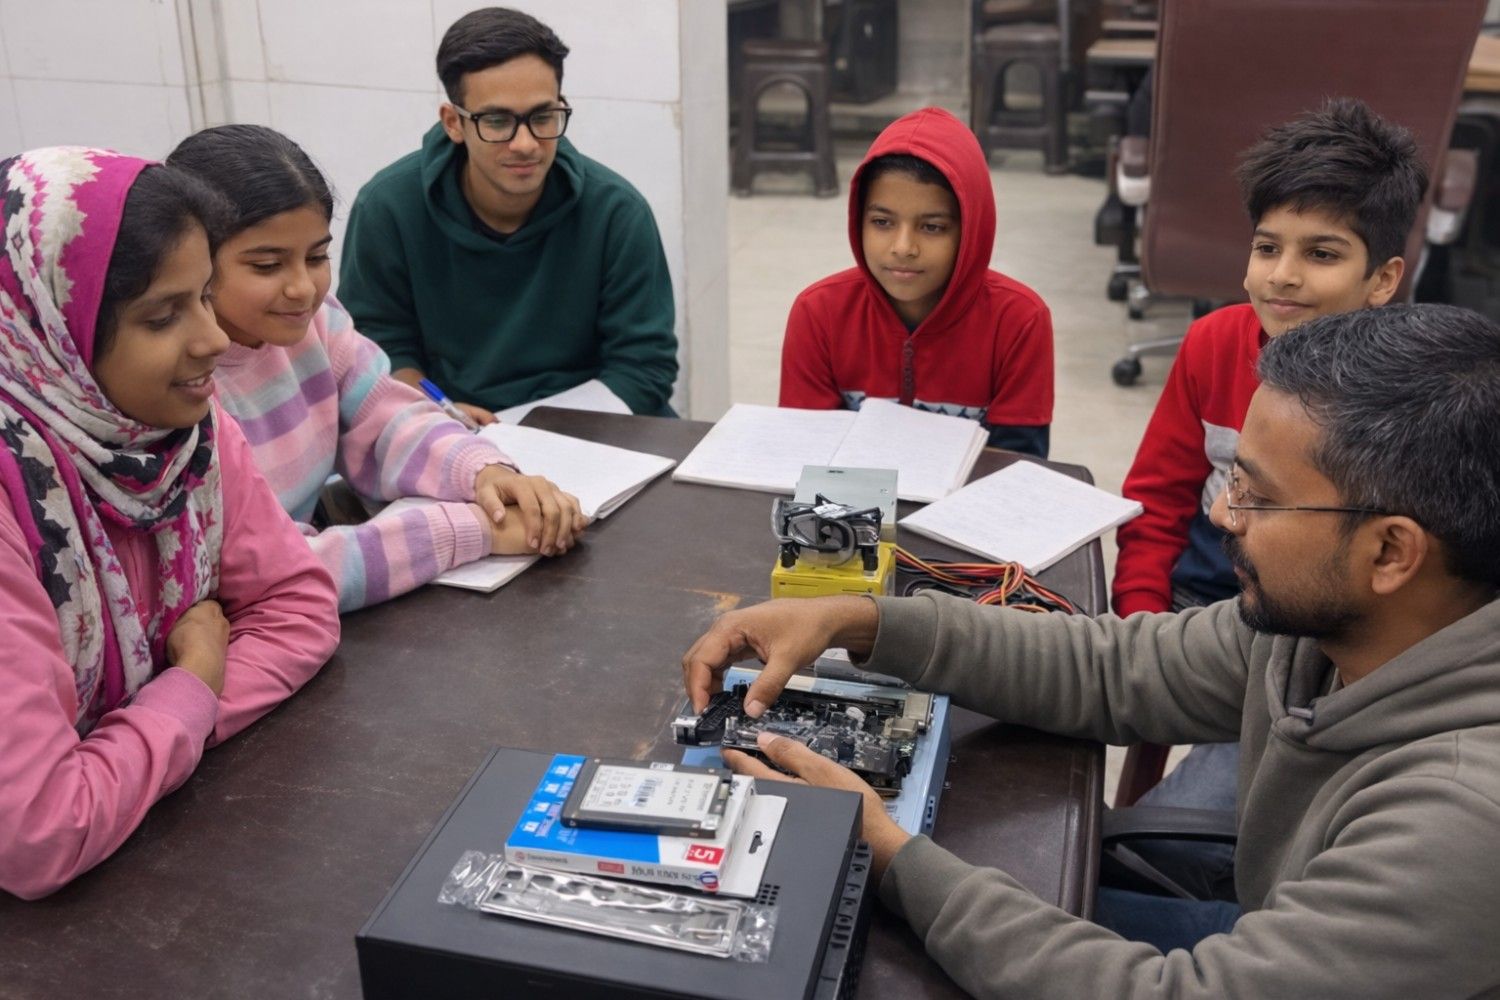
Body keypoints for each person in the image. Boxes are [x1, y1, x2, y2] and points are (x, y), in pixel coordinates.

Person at [683, 303, 1500, 996]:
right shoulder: (1329, 629)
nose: (1224, 517)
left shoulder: (1459, 823)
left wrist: (890, 853)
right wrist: (862, 621)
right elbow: (1109, 667)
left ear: (1392, 553)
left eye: (1260, 496)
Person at [0, 148, 342, 899]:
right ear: (49, 331)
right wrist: (189, 684)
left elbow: (300, 609)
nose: (214, 340)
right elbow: (41, 832)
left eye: (205, 298)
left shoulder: (180, 434)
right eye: (163, 315)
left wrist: (138, 746)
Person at [1109, 98, 1428, 811]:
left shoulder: (1403, 402)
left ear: (1382, 280)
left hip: (1307, 634)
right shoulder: (1211, 345)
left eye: (1321, 254)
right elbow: (1157, 500)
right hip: (1200, 600)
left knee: (1186, 830)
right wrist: (1141, 619)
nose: (1282, 275)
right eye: (1266, 246)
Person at [166, 124, 585, 613]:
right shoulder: (181, 387)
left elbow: (385, 417)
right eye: (266, 265)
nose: (303, 287)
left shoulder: (316, 324)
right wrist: (471, 530)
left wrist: (483, 473)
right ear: (194, 262)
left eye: (318, 256)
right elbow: (272, 572)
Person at [338, 6, 678, 425]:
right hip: (452, 429)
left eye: (542, 116)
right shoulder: (387, 208)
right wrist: (435, 416)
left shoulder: (616, 211)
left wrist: (534, 434)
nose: (525, 144)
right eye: (497, 121)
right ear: (453, 123)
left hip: (599, 434)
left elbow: (644, 368)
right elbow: (377, 352)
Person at [779, 107, 1054, 456]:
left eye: (932, 227)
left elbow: (1019, 468)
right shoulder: (818, 313)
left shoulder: (1019, 321)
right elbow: (805, 451)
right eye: (882, 222)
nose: (903, 248)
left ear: (971, 231)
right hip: (849, 508)